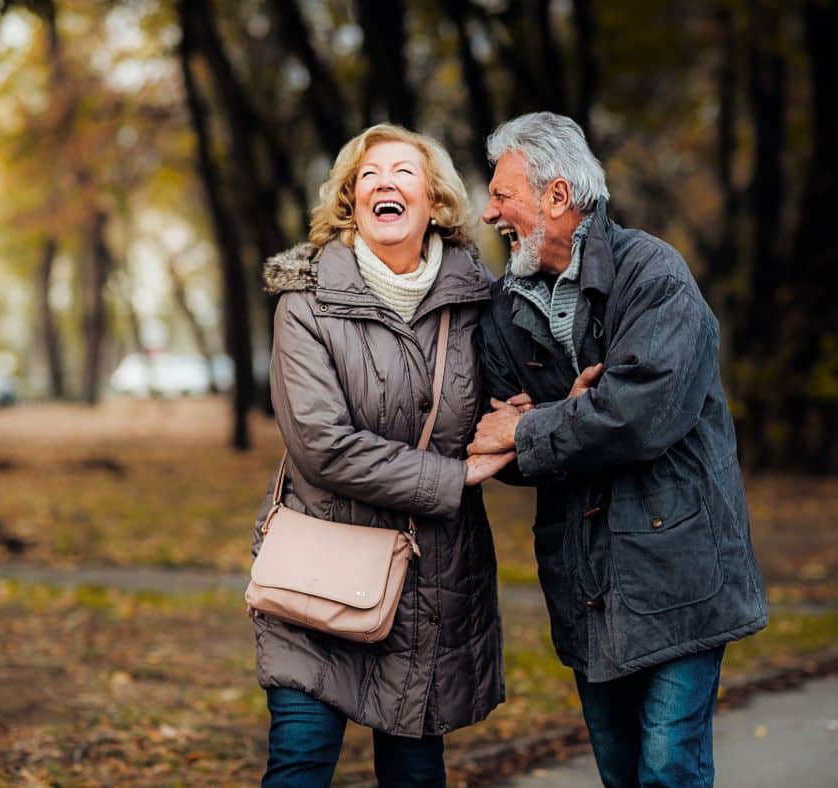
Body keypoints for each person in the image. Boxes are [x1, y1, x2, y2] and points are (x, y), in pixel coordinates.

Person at [468, 112, 768, 787]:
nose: (489, 212)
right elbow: (498, 447)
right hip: (586, 583)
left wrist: (537, 423)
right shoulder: (504, 310)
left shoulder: (652, 274)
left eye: (501, 193)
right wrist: (566, 420)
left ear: (556, 197)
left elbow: (642, 414)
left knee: (667, 769)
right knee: (621, 771)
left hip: (679, 572)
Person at [252, 123, 509, 787]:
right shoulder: (304, 299)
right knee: (300, 766)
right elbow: (322, 448)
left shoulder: (478, 303)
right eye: (368, 175)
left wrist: (549, 411)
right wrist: (452, 476)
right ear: (350, 201)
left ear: (436, 202)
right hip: (320, 578)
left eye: (402, 172)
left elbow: (510, 407)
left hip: (430, 586)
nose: (383, 183)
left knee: (415, 775)